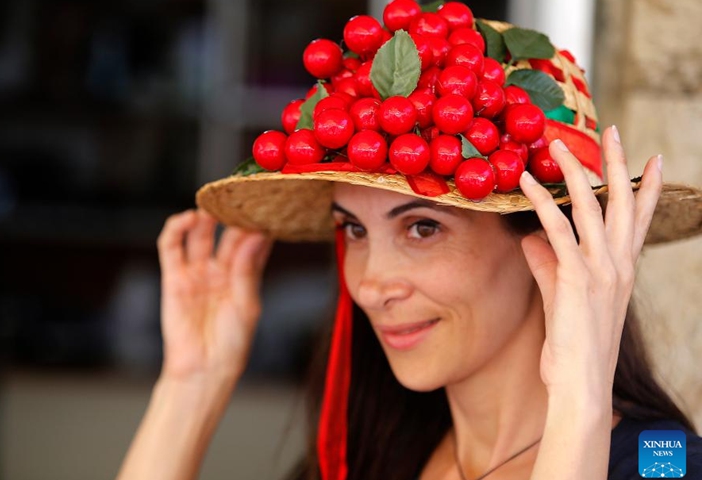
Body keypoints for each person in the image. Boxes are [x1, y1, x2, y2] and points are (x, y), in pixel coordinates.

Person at [116, 3, 702, 479]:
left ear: (557, 244)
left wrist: (581, 401)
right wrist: (193, 383)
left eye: (423, 227)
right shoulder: (380, 453)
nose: (370, 284)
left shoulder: (662, 461)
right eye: (353, 229)